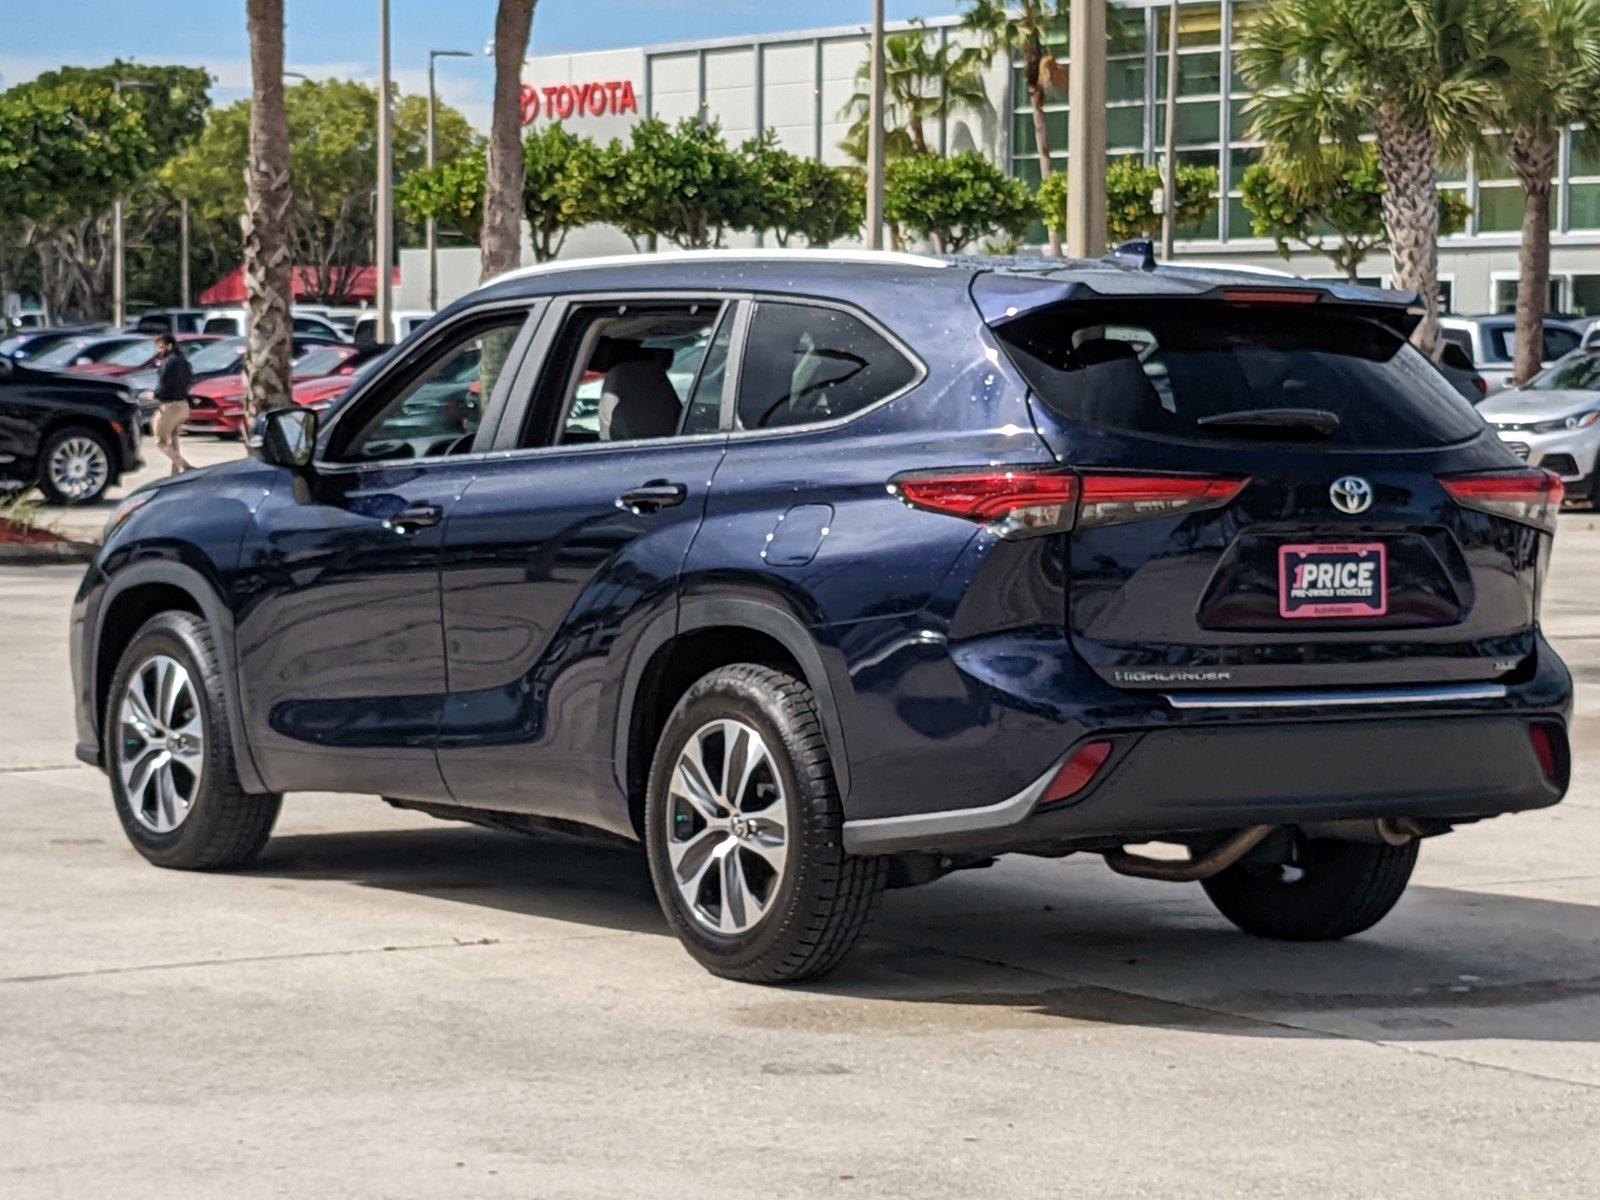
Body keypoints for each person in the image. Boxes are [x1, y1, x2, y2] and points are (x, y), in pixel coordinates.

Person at [150, 334, 194, 475]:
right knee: (173, 439)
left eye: (161, 347)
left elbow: (165, 384)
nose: (159, 350)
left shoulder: (169, 362)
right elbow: (187, 382)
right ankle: (175, 473)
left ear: (170, 346)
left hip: (171, 406)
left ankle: (185, 467)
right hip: (184, 405)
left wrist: (154, 394)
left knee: (160, 440)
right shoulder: (184, 361)